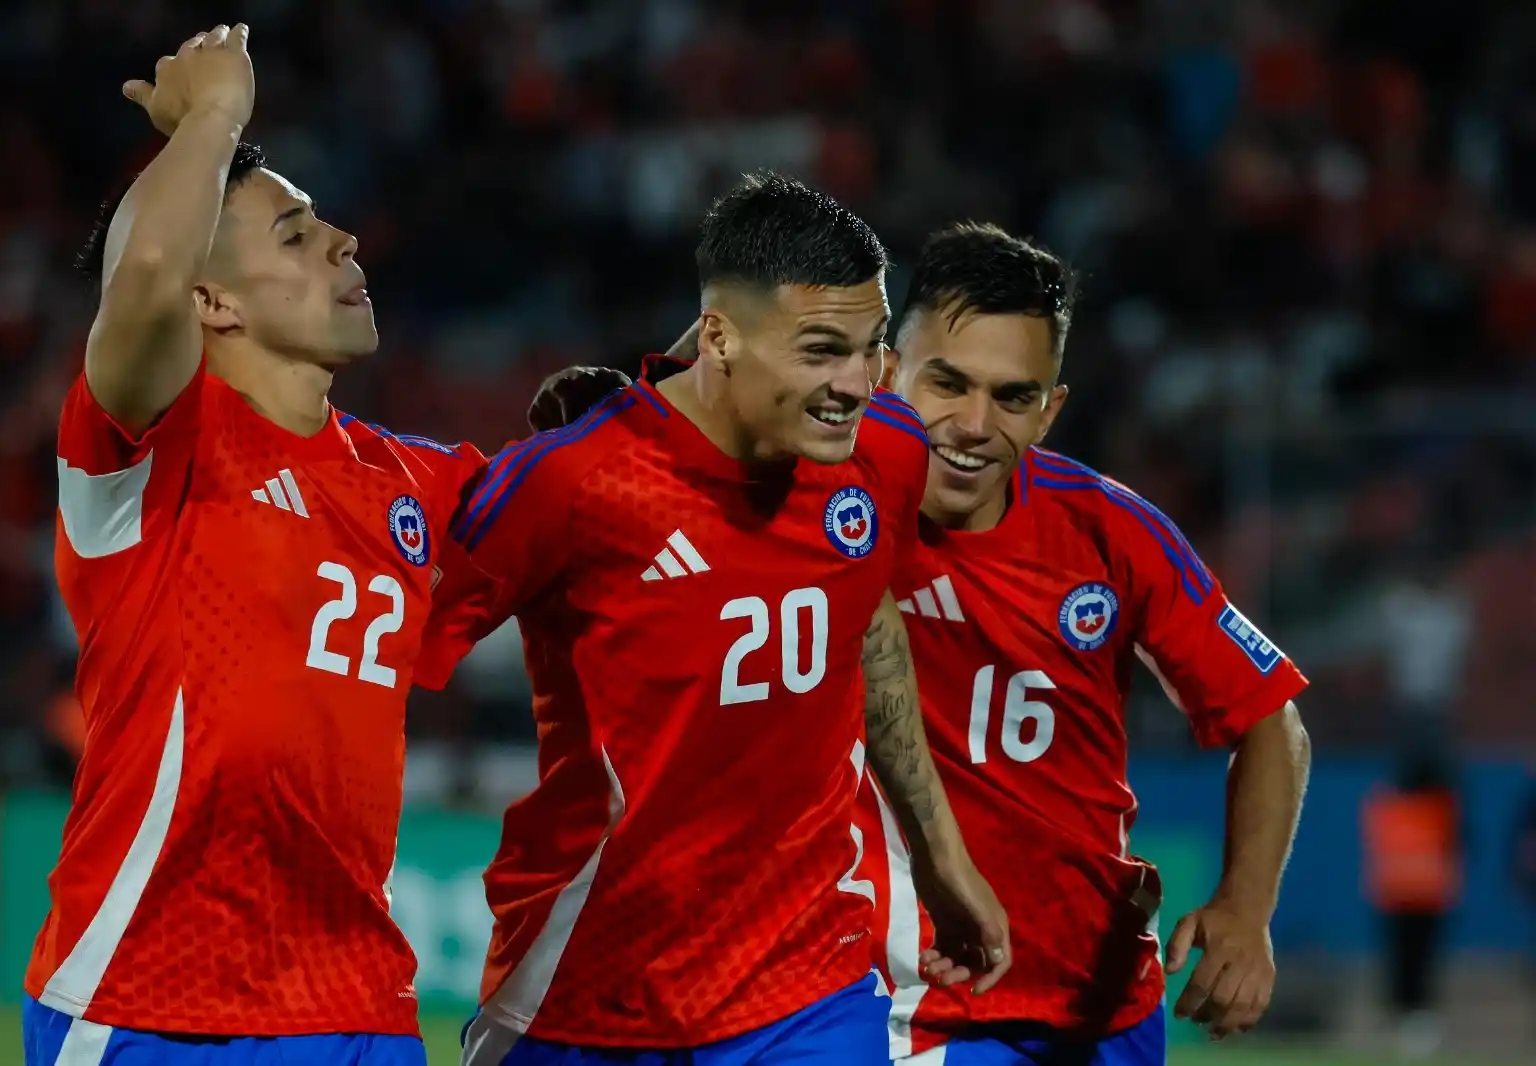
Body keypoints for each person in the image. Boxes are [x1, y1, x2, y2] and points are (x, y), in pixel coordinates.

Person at [531, 221, 1312, 1065]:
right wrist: (634, 410)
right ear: (887, 371)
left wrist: (1246, 908)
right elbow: (721, 397)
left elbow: (1269, 717)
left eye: (1013, 397)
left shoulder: (1111, 531)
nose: (973, 424)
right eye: (947, 382)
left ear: (1050, 410)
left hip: (1106, 1006)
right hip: (911, 1008)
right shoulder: (815, 499)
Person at [417, 173, 1011, 1066]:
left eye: (872, 348)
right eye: (822, 351)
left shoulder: (884, 452)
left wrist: (940, 853)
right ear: (720, 336)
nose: (857, 384)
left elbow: (866, 622)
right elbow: (384, 651)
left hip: (808, 983)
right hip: (586, 990)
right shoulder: (575, 481)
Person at [28, 26, 477, 1065]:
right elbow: (145, 276)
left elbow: (609, 490)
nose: (344, 242)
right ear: (212, 298)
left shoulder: (415, 483)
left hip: (357, 1007)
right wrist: (214, 115)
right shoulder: (151, 450)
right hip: (151, 1003)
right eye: (294, 233)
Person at [1361, 748, 1462, 1059]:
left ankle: (1406, 1019)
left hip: (1399, 895)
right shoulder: (1441, 809)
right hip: (1424, 895)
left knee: (1403, 963)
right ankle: (1415, 1021)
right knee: (1418, 962)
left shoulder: (1387, 806)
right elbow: (1459, 847)